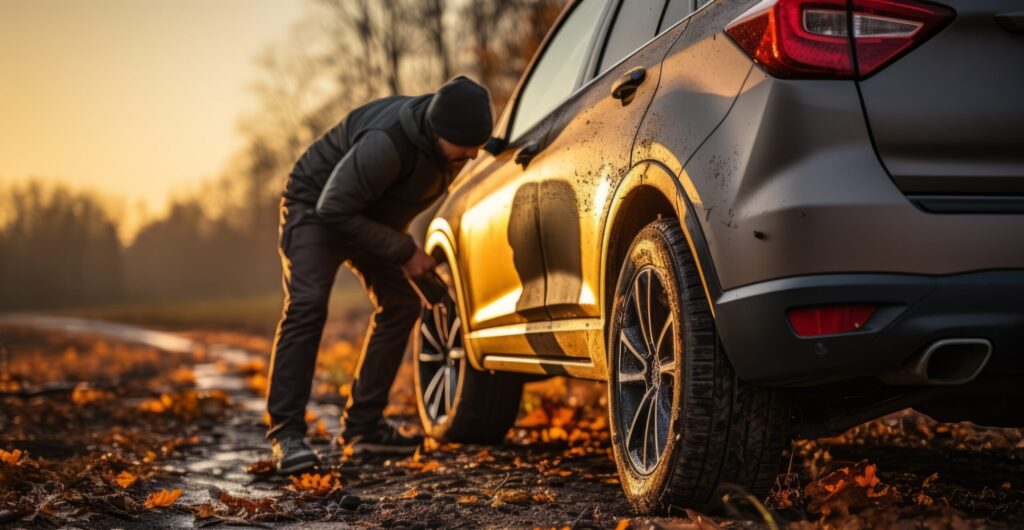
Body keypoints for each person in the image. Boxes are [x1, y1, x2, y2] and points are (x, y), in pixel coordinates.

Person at [266, 76, 493, 473]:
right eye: (467, 146)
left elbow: (384, 205)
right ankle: (287, 434)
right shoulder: (387, 142)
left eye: (479, 143)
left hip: (364, 216)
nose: (473, 155)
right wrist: (406, 251)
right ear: (439, 131)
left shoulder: (448, 144)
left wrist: (422, 275)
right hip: (315, 209)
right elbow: (334, 208)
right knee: (307, 305)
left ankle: (363, 428)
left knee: (402, 303)